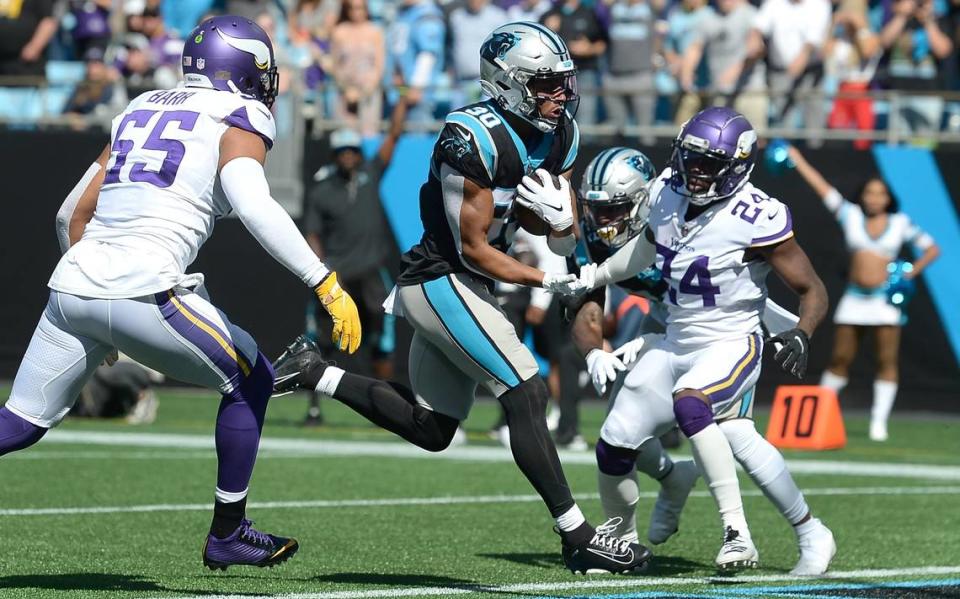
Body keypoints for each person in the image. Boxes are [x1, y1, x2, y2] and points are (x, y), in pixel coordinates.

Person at [274, 21, 653, 575]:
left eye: (562, 83)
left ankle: (315, 373)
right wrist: (545, 280)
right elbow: (472, 248)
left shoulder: (561, 131)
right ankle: (578, 536)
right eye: (546, 84)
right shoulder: (471, 136)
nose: (560, 96)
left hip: (472, 283)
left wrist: (561, 229)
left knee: (433, 430)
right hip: (440, 277)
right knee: (524, 391)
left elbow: (558, 233)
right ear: (508, 82)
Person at [0, 16, 362, 570]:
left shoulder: (142, 105)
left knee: (19, 424)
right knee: (253, 376)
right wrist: (323, 281)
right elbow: (253, 202)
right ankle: (228, 534)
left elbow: (71, 212)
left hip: (72, 285)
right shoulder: (240, 113)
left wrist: (92, 298)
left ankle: (232, 532)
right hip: (142, 287)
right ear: (240, 70)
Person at [566, 107, 835, 573]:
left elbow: (813, 289)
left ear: (736, 165)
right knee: (615, 438)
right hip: (675, 339)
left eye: (708, 162)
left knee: (694, 406)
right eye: (690, 158)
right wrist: (598, 273)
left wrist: (801, 332)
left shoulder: (755, 216)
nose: (695, 171)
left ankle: (738, 533)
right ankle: (620, 541)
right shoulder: (667, 192)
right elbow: (646, 247)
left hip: (732, 340)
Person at [787, 145, 940, 441]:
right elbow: (822, 189)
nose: (874, 198)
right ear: (863, 195)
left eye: (880, 194)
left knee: (886, 359)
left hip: (885, 301)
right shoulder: (851, 215)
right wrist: (797, 159)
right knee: (840, 358)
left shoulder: (900, 223)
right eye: (870, 193)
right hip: (855, 298)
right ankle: (816, 416)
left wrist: (910, 271)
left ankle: (877, 422)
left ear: (888, 198)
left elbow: (933, 248)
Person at [301, 97, 410, 425]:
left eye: (352, 150)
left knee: (382, 337)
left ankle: (386, 408)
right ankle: (314, 407)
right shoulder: (322, 190)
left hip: (371, 271)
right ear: (335, 155)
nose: (349, 155)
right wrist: (321, 272)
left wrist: (402, 102)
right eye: (342, 151)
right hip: (336, 276)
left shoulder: (370, 174)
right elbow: (313, 234)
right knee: (321, 340)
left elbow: (392, 138)